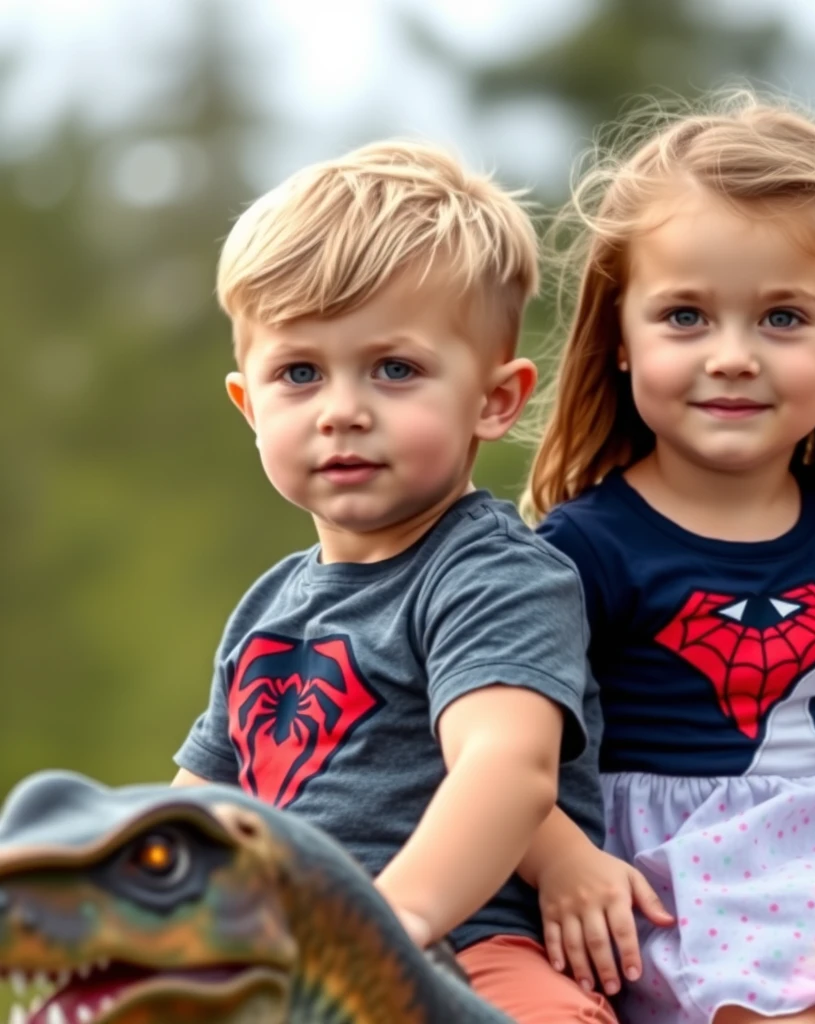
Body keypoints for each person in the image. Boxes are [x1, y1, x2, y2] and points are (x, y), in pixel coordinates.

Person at [519, 91, 815, 1024]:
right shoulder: (581, 552)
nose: (734, 356)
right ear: (619, 339)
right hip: (657, 871)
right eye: (686, 317)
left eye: (782, 318)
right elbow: (501, 753)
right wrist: (558, 860)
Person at [170, 140, 617, 1024]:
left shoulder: (492, 575)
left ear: (494, 399)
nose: (343, 408)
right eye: (300, 373)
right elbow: (201, 803)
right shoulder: (270, 606)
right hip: (280, 952)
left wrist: (386, 923)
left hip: (467, 946)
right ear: (249, 406)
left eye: (395, 369)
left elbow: (507, 767)